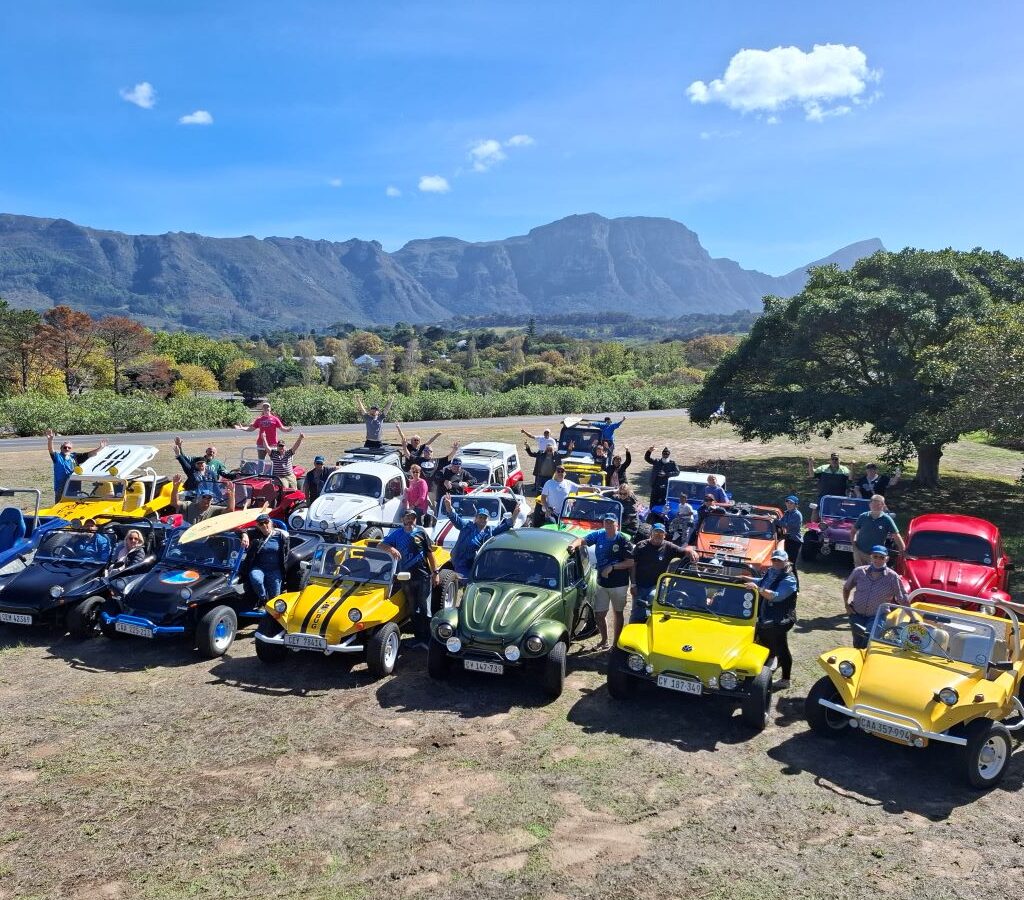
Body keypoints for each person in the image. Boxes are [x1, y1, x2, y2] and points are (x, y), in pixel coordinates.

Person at [569, 514, 634, 650]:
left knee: (618, 613)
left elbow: (631, 562)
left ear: (617, 525)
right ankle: (604, 641)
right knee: (599, 615)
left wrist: (613, 567)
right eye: (606, 522)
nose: (608, 525)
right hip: (602, 583)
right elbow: (582, 540)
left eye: (611, 523)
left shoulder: (622, 539)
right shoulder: (599, 534)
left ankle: (616, 644)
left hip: (619, 584)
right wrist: (573, 545)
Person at [381, 509, 439, 643]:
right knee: (412, 608)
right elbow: (380, 544)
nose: (410, 520)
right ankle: (418, 638)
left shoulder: (421, 532)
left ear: (415, 519)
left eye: (412, 518)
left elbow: (430, 554)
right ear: (402, 519)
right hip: (405, 578)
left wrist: (435, 573)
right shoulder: (396, 535)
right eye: (407, 518)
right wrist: (391, 549)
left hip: (424, 576)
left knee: (425, 608)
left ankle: (429, 639)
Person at [744, 549, 799, 689]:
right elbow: (763, 581)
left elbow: (776, 595)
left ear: (786, 561)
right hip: (767, 616)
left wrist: (758, 588)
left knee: (782, 647)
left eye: (779, 560)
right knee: (768, 641)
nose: (776, 562)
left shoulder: (789, 578)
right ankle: (773, 660)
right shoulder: (771, 571)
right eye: (774, 559)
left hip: (781, 619)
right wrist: (748, 579)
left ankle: (785, 680)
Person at [442, 493, 519, 581]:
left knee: (472, 581)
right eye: (480, 517)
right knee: (464, 580)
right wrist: (449, 507)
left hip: (475, 562)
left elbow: (506, 525)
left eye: (485, 518)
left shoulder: (490, 531)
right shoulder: (467, 526)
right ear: (476, 518)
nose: (482, 519)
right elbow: (455, 518)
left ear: (488, 519)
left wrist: (515, 515)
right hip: (459, 560)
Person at [843, 545, 909, 649]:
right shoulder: (859, 571)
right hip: (856, 614)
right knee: (857, 641)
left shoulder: (892, 577)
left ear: (886, 558)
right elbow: (847, 588)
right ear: (871, 557)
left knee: (869, 639)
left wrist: (914, 617)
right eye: (875, 556)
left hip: (877, 616)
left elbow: (902, 599)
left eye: (882, 557)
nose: (878, 560)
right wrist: (847, 606)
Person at [629, 524, 697, 623]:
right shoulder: (641, 545)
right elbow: (632, 566)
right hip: (640, 585)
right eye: (656, 532)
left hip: (657, 585)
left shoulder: (668, 546)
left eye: (661, 533)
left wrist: (692, 552)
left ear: (664, 535)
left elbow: (683, 551)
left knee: (653, 601)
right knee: (637, 613)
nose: (658, 535)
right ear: (651, 533)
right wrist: (633, 584)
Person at [45, 429, 107, 502]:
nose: (67, 449)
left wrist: (100, 448)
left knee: (73, 506)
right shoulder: (57, 457)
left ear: (71, 449)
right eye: (64, 447)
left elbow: (89, 454)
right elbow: (50, 449)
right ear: (61, 448)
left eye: (69, 448)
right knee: (59, 507)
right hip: (60, 488)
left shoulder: (75, 456)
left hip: (74, 487)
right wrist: (50, 440)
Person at [851, 494, 905, 568]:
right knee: (859, 575)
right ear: (870, 505)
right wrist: (854, 546)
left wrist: (903, 551)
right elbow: (853, 531)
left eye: (878, 505)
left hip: (876, 555)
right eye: (873, 504)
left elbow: (896, 535)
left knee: (874, 576)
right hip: (860, 552)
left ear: (883, 505)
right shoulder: (863, 516)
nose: (875, 507)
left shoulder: (887, 519)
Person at [169, 474, 237, 525]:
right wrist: (175, 488)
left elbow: (230, 510)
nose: (206, 500)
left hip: (204, 539)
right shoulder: (188, 505)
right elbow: (174, 503)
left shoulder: (214, 510)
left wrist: (232, 494)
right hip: (186, 536)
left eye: (209, 498)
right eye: (204, 497)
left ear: (212, 500)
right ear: (199, 498)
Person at [778, 495, 803, 583]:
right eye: (787, 502)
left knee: (791, 564)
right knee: (786, 563)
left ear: (796, 505)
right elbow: (781, 522)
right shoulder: (787, 513)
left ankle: (795, 586)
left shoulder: (797, 514)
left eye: (791, 503)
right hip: (789, 539)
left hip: (795, 541)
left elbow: (788, 525)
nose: (788, 504)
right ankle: (787, 582)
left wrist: (775, 521)